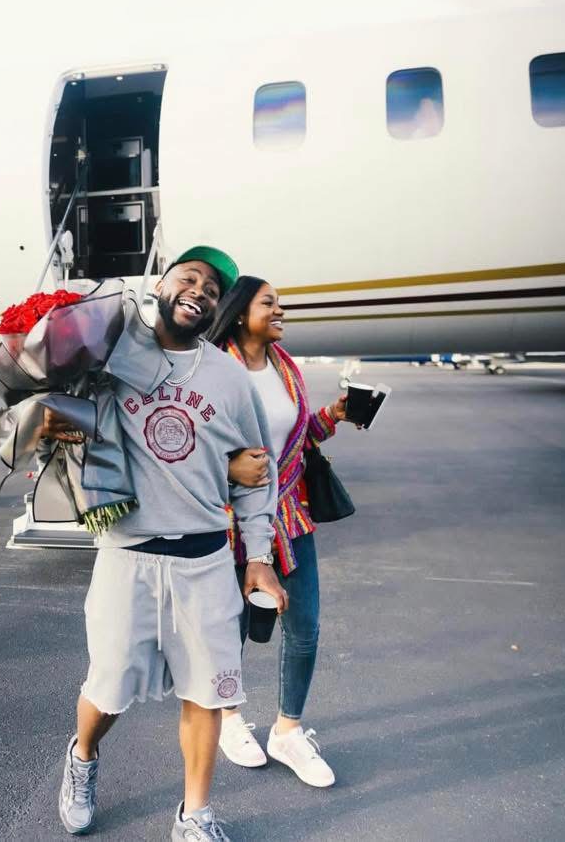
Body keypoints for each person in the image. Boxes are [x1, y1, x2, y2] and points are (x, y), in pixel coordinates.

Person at [40, 248, 287, 841]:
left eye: (213, 289)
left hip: (204, 561)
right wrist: (49, 423)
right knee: (108, 690)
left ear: (217, 309)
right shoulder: (110, 354)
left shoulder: (228, 377)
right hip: (127, 557)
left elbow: (259, 470)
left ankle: (194, 815)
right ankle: (82, 757)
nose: (200, 290)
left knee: (208, 693)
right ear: (160, 285)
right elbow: (55, 423)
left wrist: (258, 557)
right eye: (189, 277)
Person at [207, 275, 355, 789]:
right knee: (230, 627)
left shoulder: (286, 368)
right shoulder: (212, 369)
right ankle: (228, 717)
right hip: (226, 519)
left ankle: (287, 731)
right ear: (239, 312)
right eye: (269, 303)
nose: (280, 311)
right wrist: (228, 468)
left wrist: (333, 416)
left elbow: (295, 438)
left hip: (290, 514)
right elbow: (187, 445)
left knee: (305, 625)